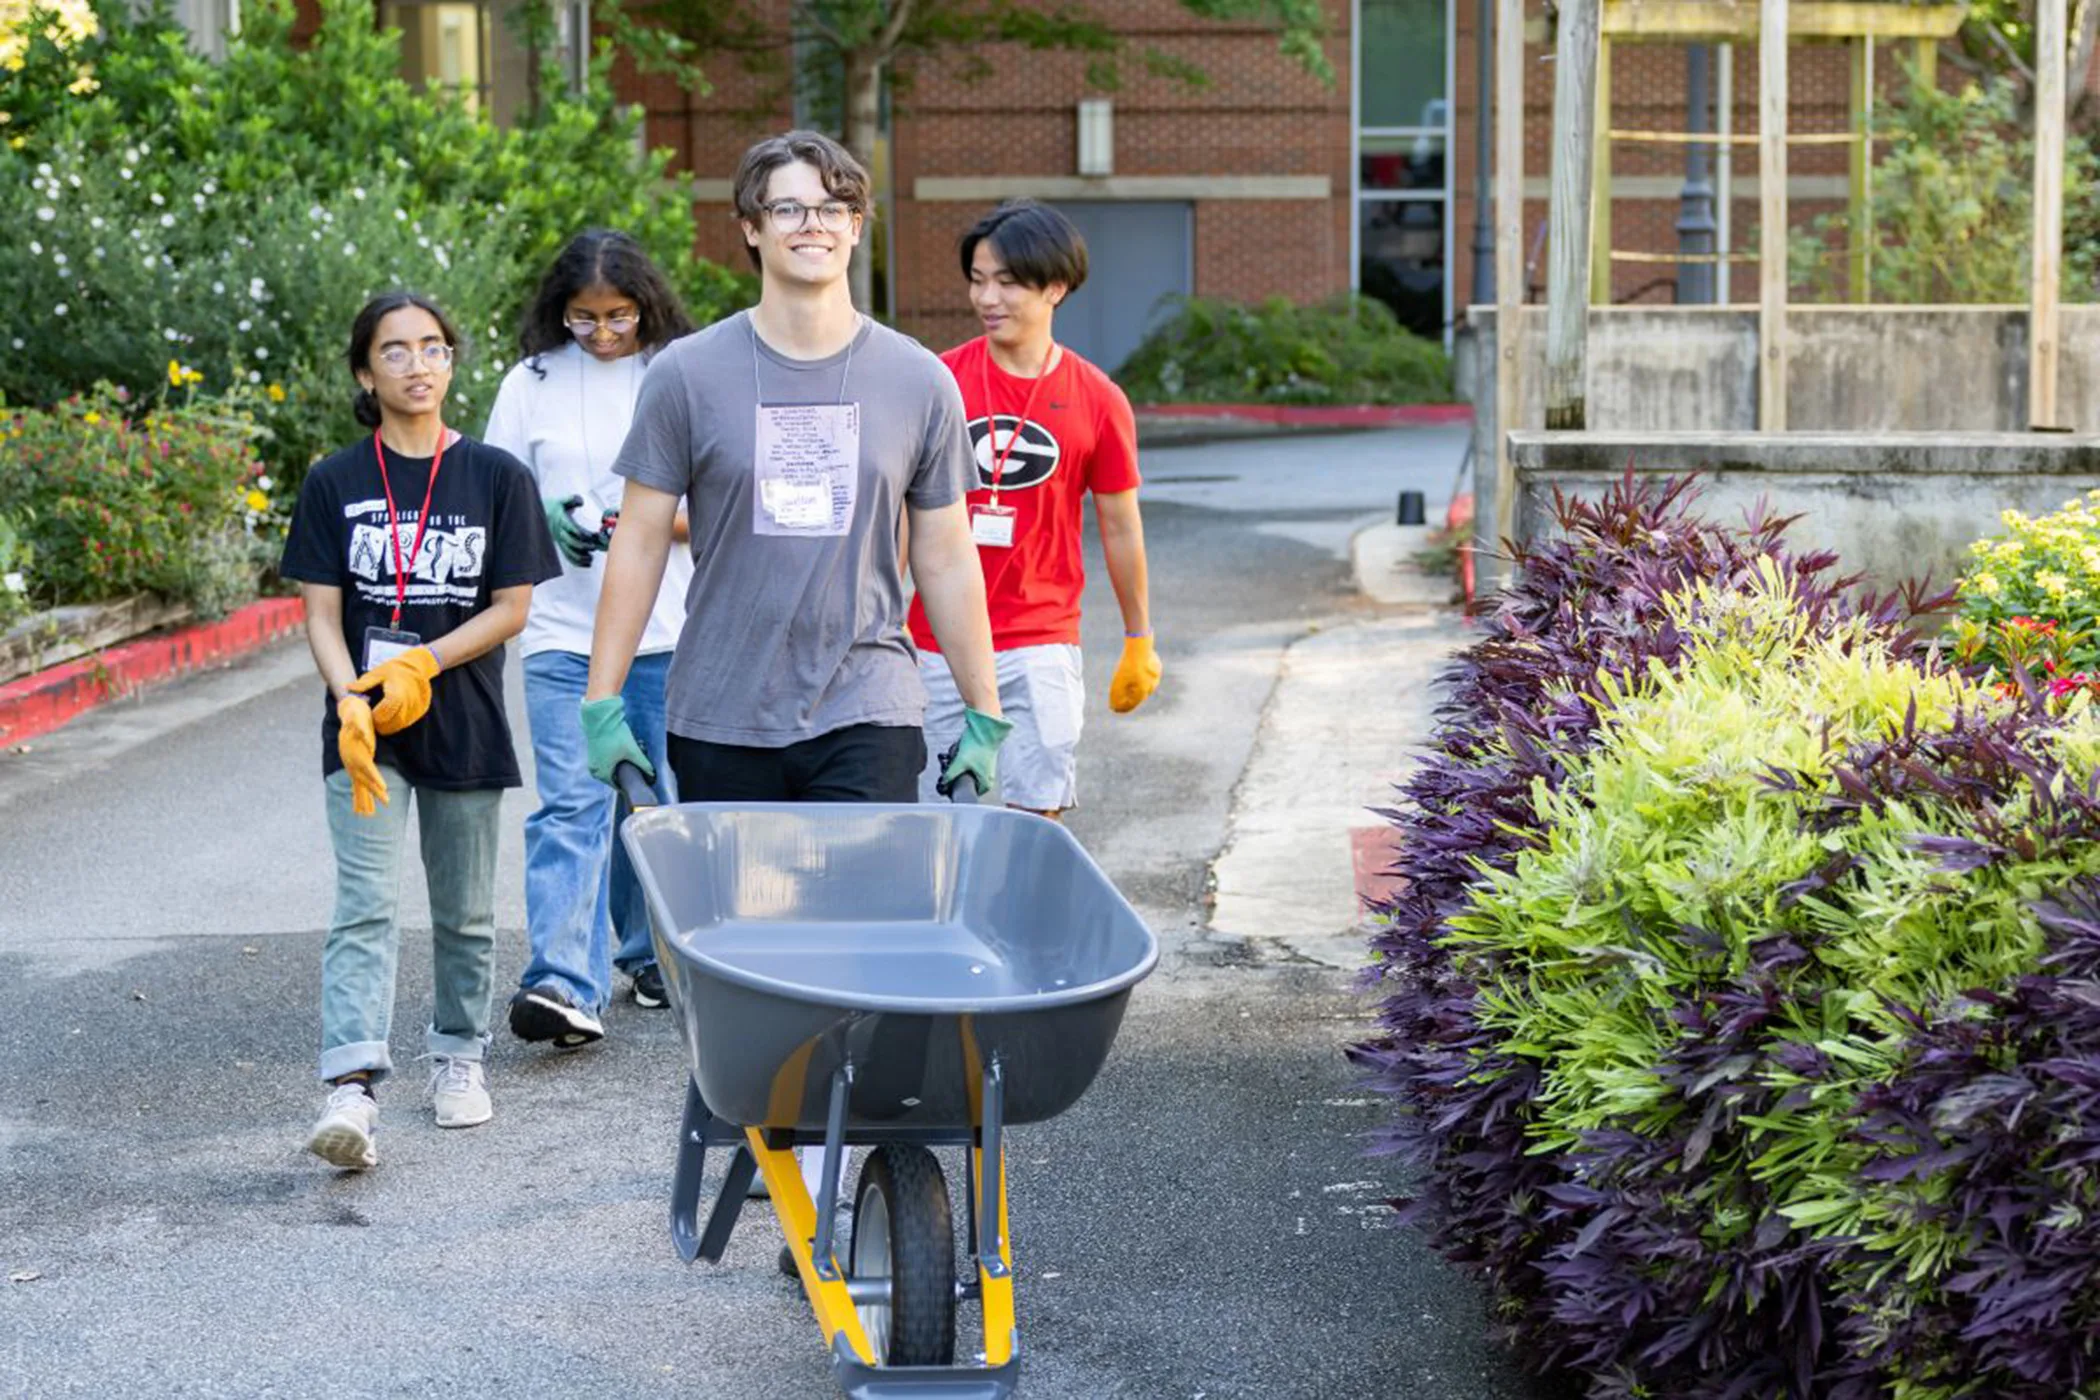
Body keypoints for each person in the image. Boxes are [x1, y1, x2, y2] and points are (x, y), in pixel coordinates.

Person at [577, 129, 1008, 1255]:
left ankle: (824, 1193)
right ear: (751, 228)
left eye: (834, 205)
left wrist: (985, 706)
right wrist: (602, 697)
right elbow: (633, 546)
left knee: (860, 954)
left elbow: (949, 556)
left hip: (869, 701)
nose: (812, 221)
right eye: (789, 205)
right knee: (761, 968)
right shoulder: (688, 376)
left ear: (857, 226)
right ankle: (790, 1151)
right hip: (721, 712)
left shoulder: (915, 379)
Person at [281, 291, 561, 1169]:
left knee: (466, 914)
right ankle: (352, 1087)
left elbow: (513, 607)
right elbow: (322, 613)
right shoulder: (335, 480)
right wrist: (351, 694)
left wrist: (421, 664)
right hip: (364, 730)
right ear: (367, 372)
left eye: (432, 347)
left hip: (463, 722)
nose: (416, 365)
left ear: (451, 362)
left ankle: (458, 1057)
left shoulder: (496, 477)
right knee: (364, 904)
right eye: (394, 352)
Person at [482, 230, 697, 1050]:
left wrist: (642, 525)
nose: (603, 333)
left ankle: (651, 957)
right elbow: (498, 492)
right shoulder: (529, 383)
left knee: (653, 802)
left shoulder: (676, 374)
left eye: (618, 316)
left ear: (646, 305)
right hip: (559, 629)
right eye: (583, 318)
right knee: (572, 800)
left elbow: (721, 504)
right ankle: (564, 983)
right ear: (557, 312)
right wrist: (539, 522)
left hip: (666, 629)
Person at [907, 199, 1160, 818]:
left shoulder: (1098, 397)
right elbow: (897, 511)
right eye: (977, 280)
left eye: (1007, 282)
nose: (987, 297)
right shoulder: (939, 381)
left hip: (1040, 640)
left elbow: (1122, 526)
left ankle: (1018, 919)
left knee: (1036, 820)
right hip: (935, 639)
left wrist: (1139, 636)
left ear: (1055, 287)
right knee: (937, 825)